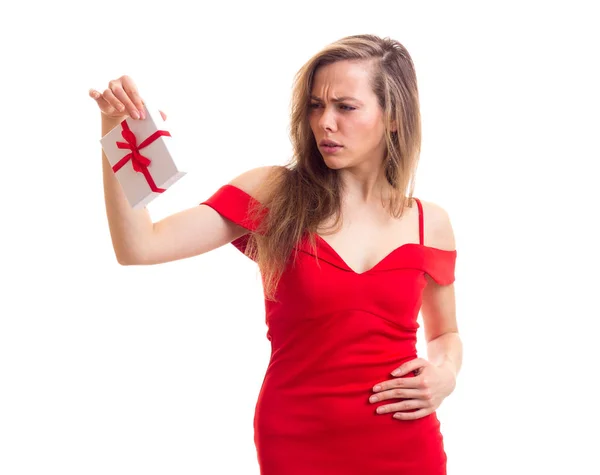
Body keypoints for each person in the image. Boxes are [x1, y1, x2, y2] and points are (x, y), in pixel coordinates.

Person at [90, 33, 463, 475]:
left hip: (405, 438)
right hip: (298, 438)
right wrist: (115, 133)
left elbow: (445, 335)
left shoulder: (429, 222)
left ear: (394, 117)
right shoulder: (274, 192)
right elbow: (139, 246)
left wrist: (446, 374)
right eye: (315, 105)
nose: (325, 122)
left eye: (345, 107)